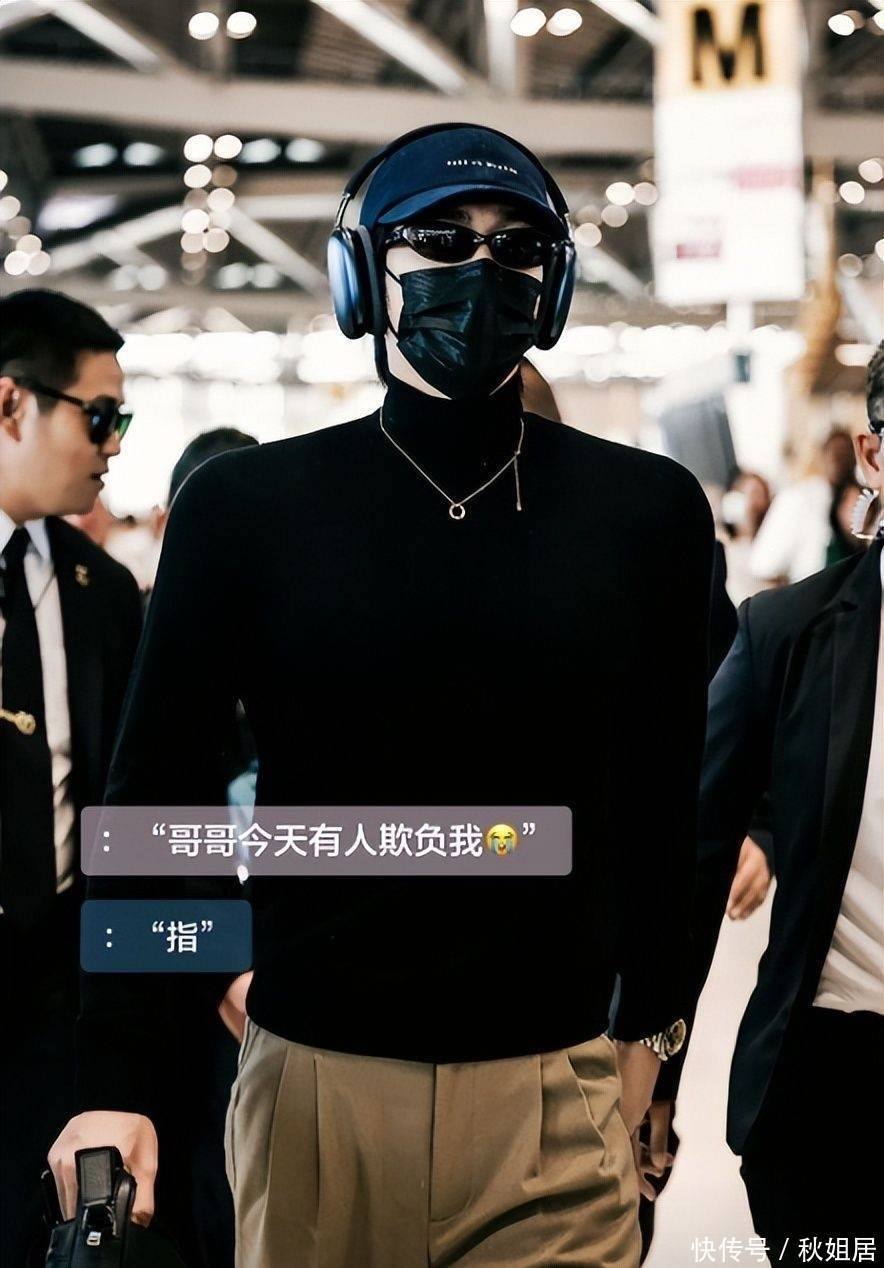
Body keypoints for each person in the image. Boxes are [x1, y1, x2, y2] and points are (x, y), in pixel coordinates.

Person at [51, 123, 713, 1267]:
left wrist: (655, 1037)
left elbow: (662, 808)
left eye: (516, 246)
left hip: (554, 1092)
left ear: (554, 283)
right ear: (364, 272)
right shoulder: (246, 510)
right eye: (441, 239)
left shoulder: (645, 515)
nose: (481, 269)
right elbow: (155, 807)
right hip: (317, 1086)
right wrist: (122, 1073)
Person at [650, 341, 884, 1264]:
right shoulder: (787, 634)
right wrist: (655, 1071)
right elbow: (694, 861)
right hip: (832, 1090)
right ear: (873, 456)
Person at [0, 289, 143, 1266]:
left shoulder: (102, 594)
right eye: (97, 417)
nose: (113, 444)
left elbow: (133, 809)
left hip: (55, 1007)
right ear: (12, 404)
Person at [750, 429, 856, 585]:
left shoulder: (862, 498)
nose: (839, 459)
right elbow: (763, 566)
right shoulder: (798, 499)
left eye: (846, 453)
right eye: (835, 453)